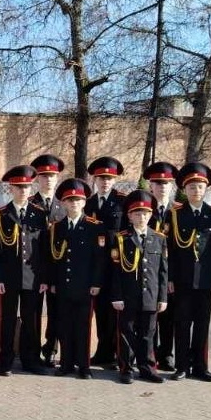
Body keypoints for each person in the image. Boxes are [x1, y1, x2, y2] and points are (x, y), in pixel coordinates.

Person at [165, 162, 211, 382]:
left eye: (200, 186)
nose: (196, 190)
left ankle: (200, 366)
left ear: (206, 188)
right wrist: (170, 277)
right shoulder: (175, 214)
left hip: (207, 279)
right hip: (182, 278)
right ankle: (182, 367)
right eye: (191, 187)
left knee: (202, 324)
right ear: (184, 189)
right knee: (182, 323)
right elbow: (170, 249)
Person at [0, 165, 49, 375]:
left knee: (31, 320)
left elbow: (44, 250)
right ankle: (5, 360)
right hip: (8, 278)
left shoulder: (39, 214)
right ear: (11, 189)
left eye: (26, 187)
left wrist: (44, 278)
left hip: (33, 278)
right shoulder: (0, 215)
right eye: (18, 187)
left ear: (31, 189)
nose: (23, 191)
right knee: (7, 320)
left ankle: (30, 360)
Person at [46, 178, 105, 379]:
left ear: (84, 202)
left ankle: (84, 366)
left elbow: (99, 259)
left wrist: (96, 283)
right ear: (63, 203)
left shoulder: (94, 226)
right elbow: (52, 259)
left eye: (78, 200)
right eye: (69, 200)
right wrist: (53, 282)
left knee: (83, 327)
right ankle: (66, 364)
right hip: (63, 286)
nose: (74, 203)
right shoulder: (57, 227)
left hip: (85, 286)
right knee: (64, 325)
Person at [109, 190, 168, 385]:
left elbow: (163, 272)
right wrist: (117, 296)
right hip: (128, 296)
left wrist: (162, 298)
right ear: (129, 216)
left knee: (148, 334)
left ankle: (147, 368)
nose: (141, 217)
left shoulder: (159, 238)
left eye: (145, 213)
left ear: (150, 215)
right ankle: (126, 368)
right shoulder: (121, 238)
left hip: (150, 295)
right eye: (136, 213)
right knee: (126, 334)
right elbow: (115, 271)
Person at [84, 156, 127, 367]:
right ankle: (103, 352)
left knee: (117, 312)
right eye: (101, 178)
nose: (105, 182)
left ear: (115, 180)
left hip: (118, 266)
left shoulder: (123, 201)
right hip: (96, 266)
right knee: (100, 310)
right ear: (95, 179)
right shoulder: (88, 203)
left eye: (109, 178)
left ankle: (119, 353)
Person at [30, 154, 66, 367]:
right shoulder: (29, 203)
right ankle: (33, 351)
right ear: (37, 178)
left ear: (57, 177)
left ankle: (51, 349)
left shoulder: (64, 205)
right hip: (33, 269)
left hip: (57, 269)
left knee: (56, 312)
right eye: (44, 176)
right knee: (34, 312)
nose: (48, 180)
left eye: (52, 176)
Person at [143, 162, 180, 372]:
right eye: (158, 183)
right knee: (149, 317)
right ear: (151, 186)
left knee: (169, 318)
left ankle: (166, 355)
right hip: (148, 272)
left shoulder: (178, 211)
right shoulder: (143, 210)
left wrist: (172, 276)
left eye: (166, 183)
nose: (162, 186)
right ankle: (149, 355)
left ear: (172, 185)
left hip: (171, 274)